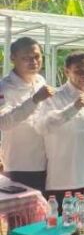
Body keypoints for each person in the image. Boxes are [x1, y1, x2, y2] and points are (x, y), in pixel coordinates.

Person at [35, 52, 84, 203]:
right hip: (66, 180)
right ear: (66, 71)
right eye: (79, 71)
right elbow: (43, 127)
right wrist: (73, 108)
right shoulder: (54, 97)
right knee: (66, 225)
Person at [0, 37, 54, 191]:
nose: (33, 62)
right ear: (12, 58)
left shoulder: (40, 81)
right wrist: (35, 99)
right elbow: (3, 122)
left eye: (37, 56)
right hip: (20, 165)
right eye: (26, 58)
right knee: (22, 213)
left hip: (46, 161)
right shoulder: (4, 87)